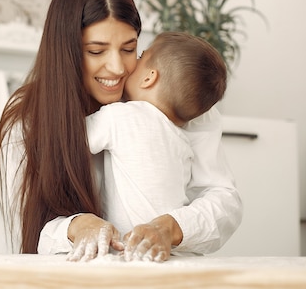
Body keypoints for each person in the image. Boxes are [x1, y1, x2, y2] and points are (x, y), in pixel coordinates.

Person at [0, 0, 242, 261]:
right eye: (96, 51)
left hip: (164, 271)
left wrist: (171, 227)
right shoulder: (27, 118)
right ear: (67, 52)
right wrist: (75, 226)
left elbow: (224, 200)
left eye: (129, 49)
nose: (117, 67)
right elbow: (19, 231)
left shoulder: (180, 105)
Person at [78, 31, 228, 262]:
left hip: (123, 248)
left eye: (140, 56)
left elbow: (69, 140)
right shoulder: (183, 140)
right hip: (169, 252)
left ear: (149, 78)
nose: (128, 65)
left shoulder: (119, 116)